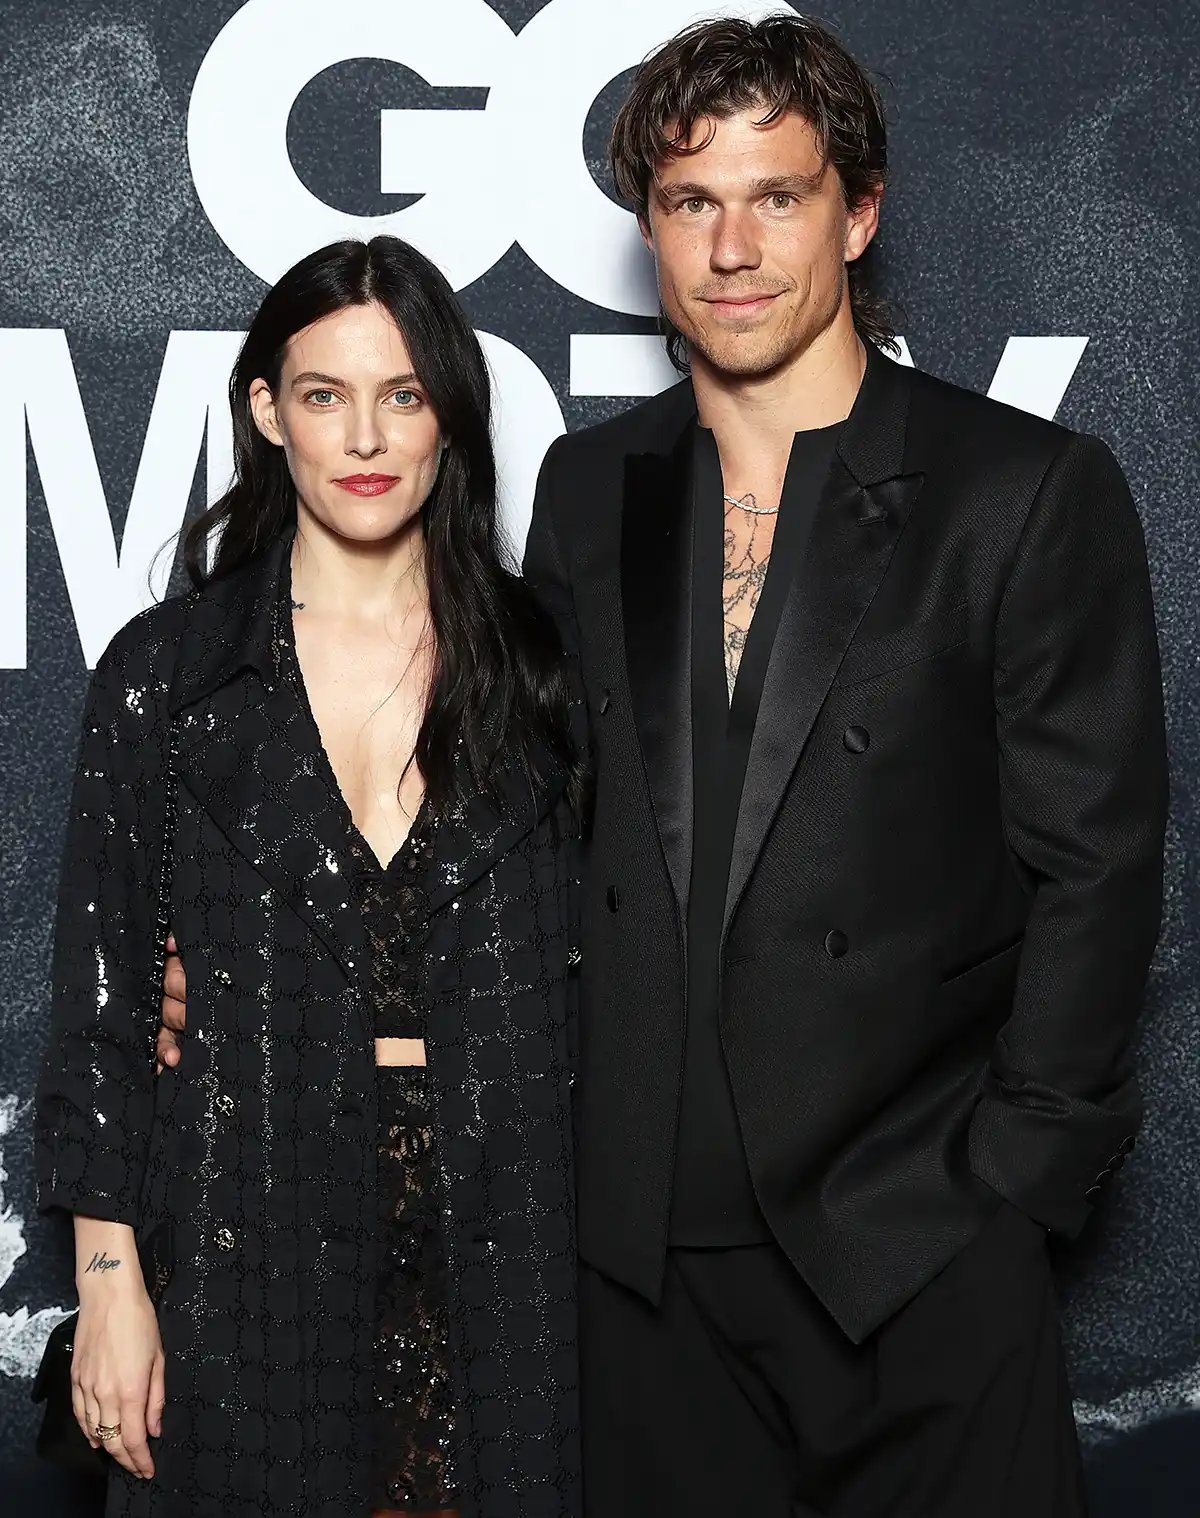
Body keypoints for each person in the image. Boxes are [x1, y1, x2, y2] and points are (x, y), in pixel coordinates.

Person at [155, 14, 1169, 1516]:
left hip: (913, 1249)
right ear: (649, 230)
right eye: (692, 202)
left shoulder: (1020, 492)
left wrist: (1007, 1195)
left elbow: (1101, 865)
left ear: (861, 209)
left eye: (779, 195)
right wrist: (248, 974)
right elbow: (516, 827)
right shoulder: (594, 485)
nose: (734, 246)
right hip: (634, 1267)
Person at [35, 235, 583, 1518]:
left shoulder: (547, 670)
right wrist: (110, 1288)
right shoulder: (164, 679)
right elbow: (102, 1008)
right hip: (243, 1242)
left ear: (449, 412)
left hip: (511, 1249)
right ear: (268, 412)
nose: (366, 435)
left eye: (403, 393)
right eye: (325, 394)